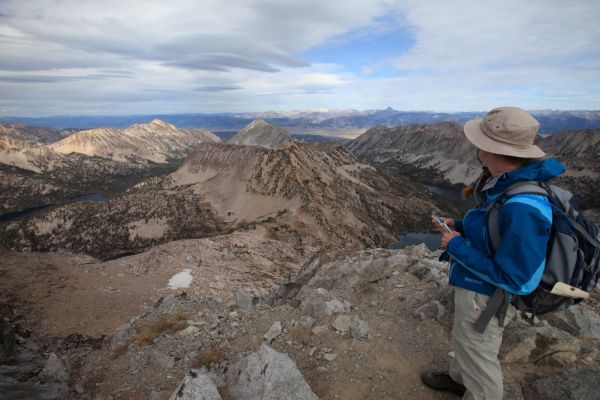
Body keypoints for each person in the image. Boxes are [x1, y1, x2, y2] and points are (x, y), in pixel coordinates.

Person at [420, 107, 565, 399]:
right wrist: (459, 226)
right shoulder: (508, 184)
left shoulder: (523, 207)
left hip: (486, 298)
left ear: (491, 150)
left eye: (480, 143)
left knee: (479, 354)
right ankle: (460, 379)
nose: (476, 148)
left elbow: (517, 280)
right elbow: (495, 229)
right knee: (467, 341)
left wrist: (456, 245)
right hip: (477, 288)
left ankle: (476, 389)